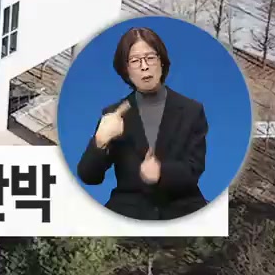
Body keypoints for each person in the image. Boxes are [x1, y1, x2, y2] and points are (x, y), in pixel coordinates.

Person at [75, 26, 209, 220]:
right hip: (128, 213)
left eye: (150, 58)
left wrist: (161, 172)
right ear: (126, 70)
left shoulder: (191, 110)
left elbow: (194, 169)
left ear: (162, 62)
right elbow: (89, 177)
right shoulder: (114, 115)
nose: (144, 66)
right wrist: (100, 141)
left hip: (181, 210)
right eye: (135, 61)